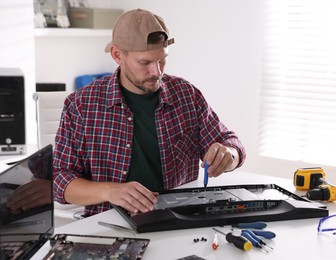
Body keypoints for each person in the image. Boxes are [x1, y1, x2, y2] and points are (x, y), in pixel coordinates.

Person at [53, 8, 246, 217]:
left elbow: (230, 142)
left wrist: (230, 154)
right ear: (117, 55)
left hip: (179, 219)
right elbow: (60, 180)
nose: (157, 72)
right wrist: (110, 191)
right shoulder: (81, 105)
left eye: (162, 60)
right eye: (144, 62)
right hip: (109, 223)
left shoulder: (186, 95)